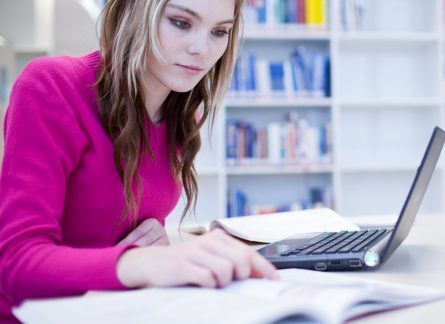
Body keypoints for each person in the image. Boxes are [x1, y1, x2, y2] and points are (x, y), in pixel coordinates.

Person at [0, 0, 279, 321]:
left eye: (219, 31)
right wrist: (143, 263)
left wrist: (156, 246)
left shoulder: (181, 113)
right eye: (181, 23)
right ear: (134, 11)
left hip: (115, 310)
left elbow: (122, 224)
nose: (202, 49)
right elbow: (15, 264)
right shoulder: (53, 85)